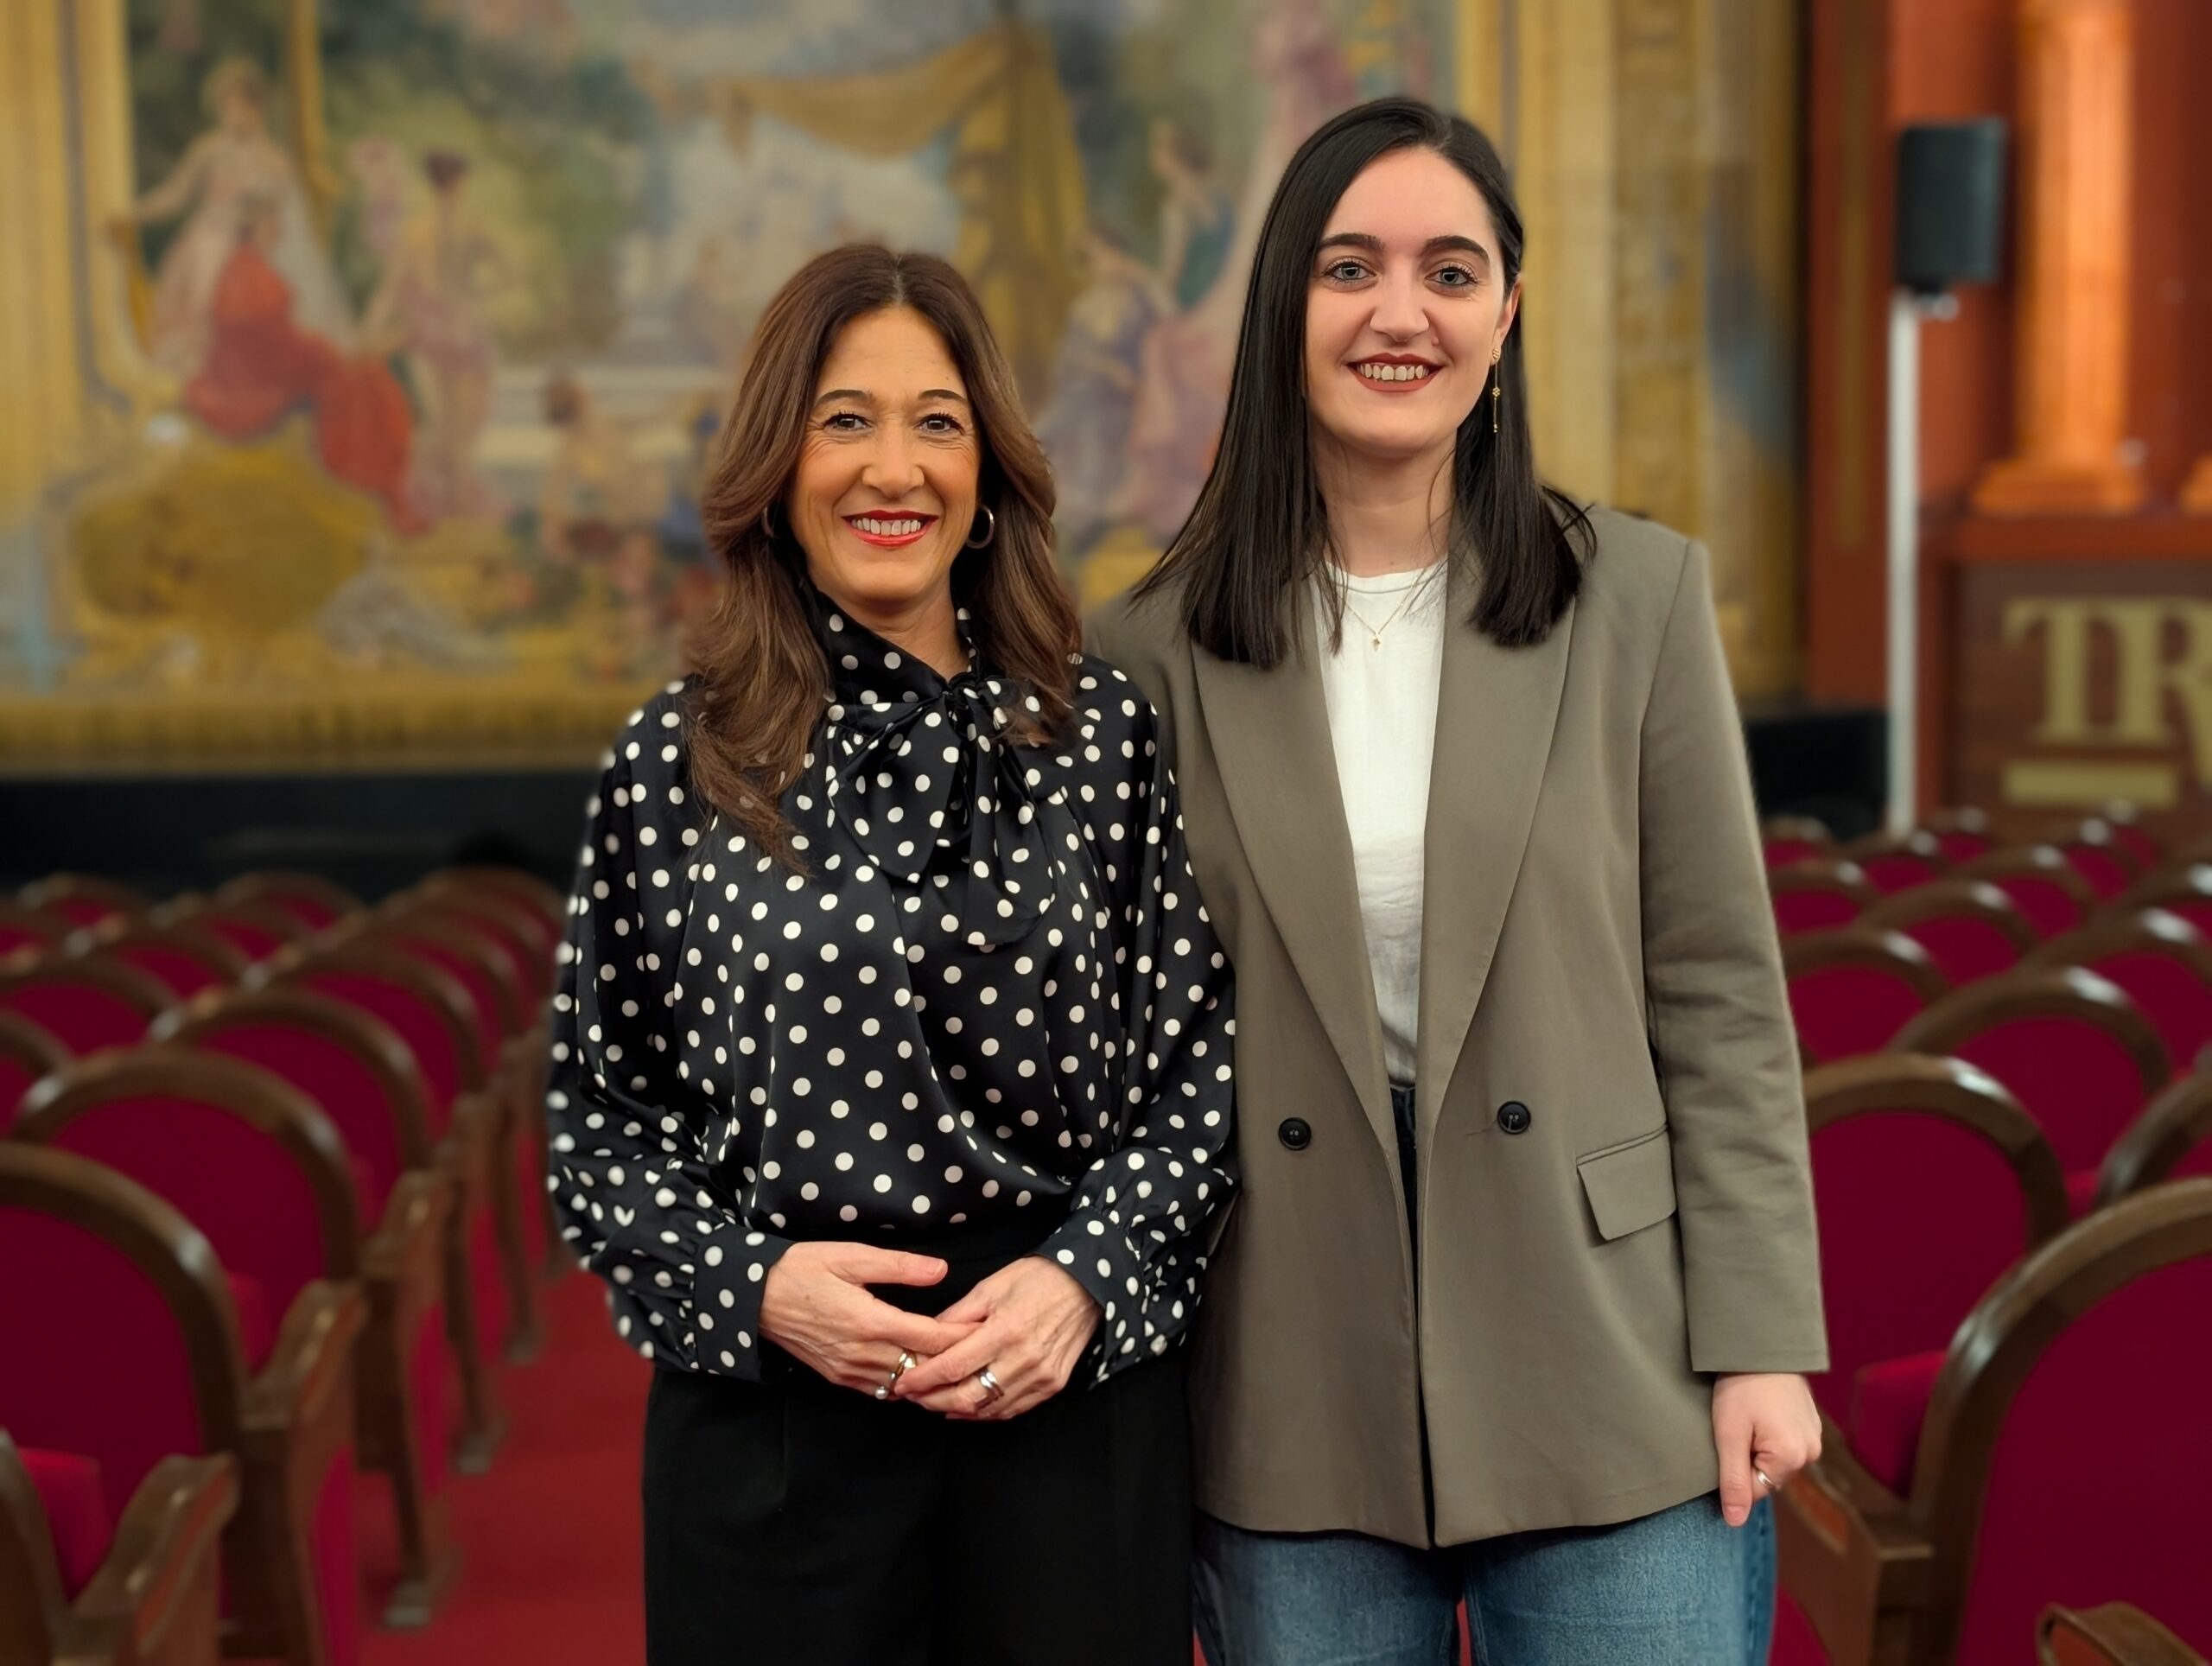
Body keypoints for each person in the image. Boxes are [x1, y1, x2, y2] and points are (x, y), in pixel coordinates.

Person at [1087, 96, 1826, 1665]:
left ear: (1508, 312)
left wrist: (1761, 1341)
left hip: (1611, 1342)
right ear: (1282, 305)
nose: (1400, 312)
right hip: (1292, 1363)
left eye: (1450, 269)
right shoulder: (1146, 654)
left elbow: (1719, 998)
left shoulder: (1637, 598)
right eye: (1350, 267)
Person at [543, 245, 1236, 1666]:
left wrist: (1086, 1277)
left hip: (1060, 1399)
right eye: (845, 420)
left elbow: (1199, 1069)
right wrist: (755, 1286)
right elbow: (596, 1128)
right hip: (780, 1422)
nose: (894, 468)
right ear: (777, 464)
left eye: (938, 422)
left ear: (988, 471)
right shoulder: (675, 761)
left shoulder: (1097, 731)